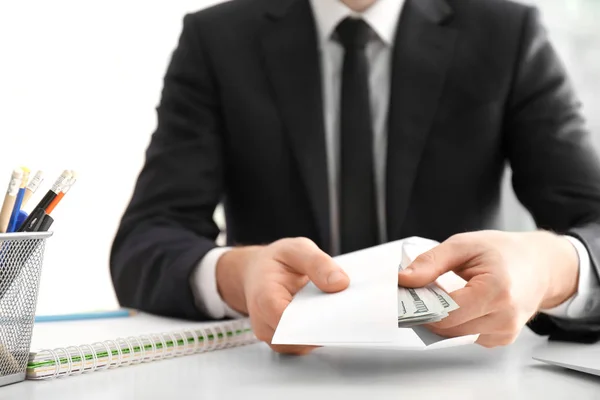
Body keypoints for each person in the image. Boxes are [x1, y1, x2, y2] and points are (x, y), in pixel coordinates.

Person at [110, 0, 600, 354]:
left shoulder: (507, 33)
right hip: (277, 377)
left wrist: (548, 268)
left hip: (460, 372)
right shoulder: (216, 40)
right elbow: (145, 242)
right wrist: (237, 275)